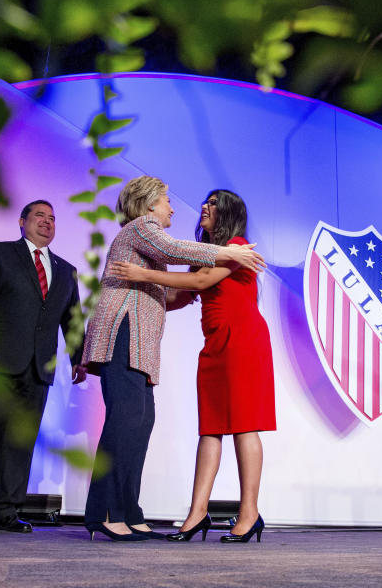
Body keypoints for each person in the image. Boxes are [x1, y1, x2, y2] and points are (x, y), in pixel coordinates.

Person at [79, 176, 266, 542]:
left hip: (143, 343)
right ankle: (105, 512)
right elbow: (173, 251)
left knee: (140, 422)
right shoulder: (143, 228)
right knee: (126, 421)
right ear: (149, 204)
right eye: (167, 201)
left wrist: (173, 285)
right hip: (125, 333)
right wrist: (228, 254)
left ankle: (128, 512)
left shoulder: (156, 244)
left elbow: (168, 294)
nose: (173, 207)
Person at [0, 200, 83, 534]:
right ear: (21, 221)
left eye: (52, 218)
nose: (47, 222)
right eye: (39, 216)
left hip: (37, 369)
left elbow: (72, 320)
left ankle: (7, 510)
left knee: (20, 441)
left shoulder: (66, 269)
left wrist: (78, 358)